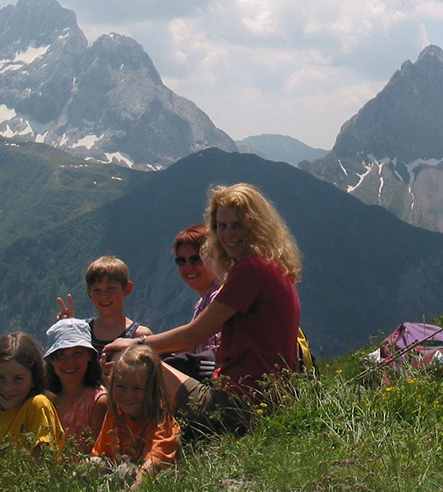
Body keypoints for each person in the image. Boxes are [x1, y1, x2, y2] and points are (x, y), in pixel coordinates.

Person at [102, 183, 302, 437]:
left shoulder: (250, 270)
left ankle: (132, 448)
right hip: (268, 400)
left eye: (237, 225)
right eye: (222, 226)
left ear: (255, 225)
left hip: (240, 406)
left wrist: (136, 344)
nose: (228, 235)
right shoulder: (272, 265)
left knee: (139, 363)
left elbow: (194, 335)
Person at [0, 332, 64, 465]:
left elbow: (42, 467)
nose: (8, 388)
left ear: (33, 380)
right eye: (0, 378)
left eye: (18, 379)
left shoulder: (37, 406)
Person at [92, 344, 179, 489]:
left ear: (151, 390)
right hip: (116, 479)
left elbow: (153, 463)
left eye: (137, 388)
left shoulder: (160, 421)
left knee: (125, 471)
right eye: (120, 387)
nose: (127, 396)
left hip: (148, 484)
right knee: (91, 465)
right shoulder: (116, 414)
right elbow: (101, 454)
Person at [55, 255, 152, 354]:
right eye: (97, 290)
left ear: (127, 289)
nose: (104, 296)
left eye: (110, 289)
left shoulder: (140, 336)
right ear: (89, 294)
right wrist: (69, 328)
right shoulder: (82, 330)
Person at [164, 224, 223, 381]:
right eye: (181, 261)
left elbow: (196, 339)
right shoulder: (202, 303)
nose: (188, 267)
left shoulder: (222, 297)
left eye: (195, 259)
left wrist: (142, 344)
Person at [43, 318, 107, 454]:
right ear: (51, 360)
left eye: (77, 353)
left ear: (89, 356)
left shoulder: (98, 402)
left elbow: (98, 453)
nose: (69, 362)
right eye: (61, 355)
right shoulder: (42, 399)